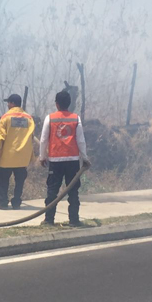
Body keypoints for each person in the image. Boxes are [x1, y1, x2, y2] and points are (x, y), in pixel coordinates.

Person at [38, 90, 91, 226]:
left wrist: (42, 157)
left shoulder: (50, 118)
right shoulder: (76, 118)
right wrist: (85, 158)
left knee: (52, 191)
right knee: (73, 191)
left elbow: (43, 140)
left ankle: (49, 220)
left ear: (56, 104)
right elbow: (81, 140)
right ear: (69, 103)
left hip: (55, 161)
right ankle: (74, 220)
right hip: (72, 161)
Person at [0, 94, 35, 209]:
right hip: (22, 157)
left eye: (9, 103)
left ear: (12, 103)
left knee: (3, 178)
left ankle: (2, 202)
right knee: (19, 181)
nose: (7, 105)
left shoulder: (6, 117)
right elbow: (31, 137)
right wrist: (31, 156)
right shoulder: (29, 118)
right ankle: (16, 202)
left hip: (8, 156)